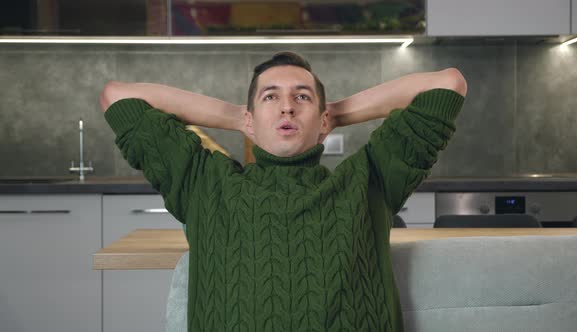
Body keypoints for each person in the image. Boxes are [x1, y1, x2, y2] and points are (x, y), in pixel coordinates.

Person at [100, 51, 467, 331]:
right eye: (270, 98)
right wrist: (238, 118)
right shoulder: (204, 183)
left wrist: (334, 112)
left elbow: (448, 84)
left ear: (324, 122)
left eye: (302, 98)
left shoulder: (369, 180)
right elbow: (118, 98)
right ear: (249, 119)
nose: (287, 107)